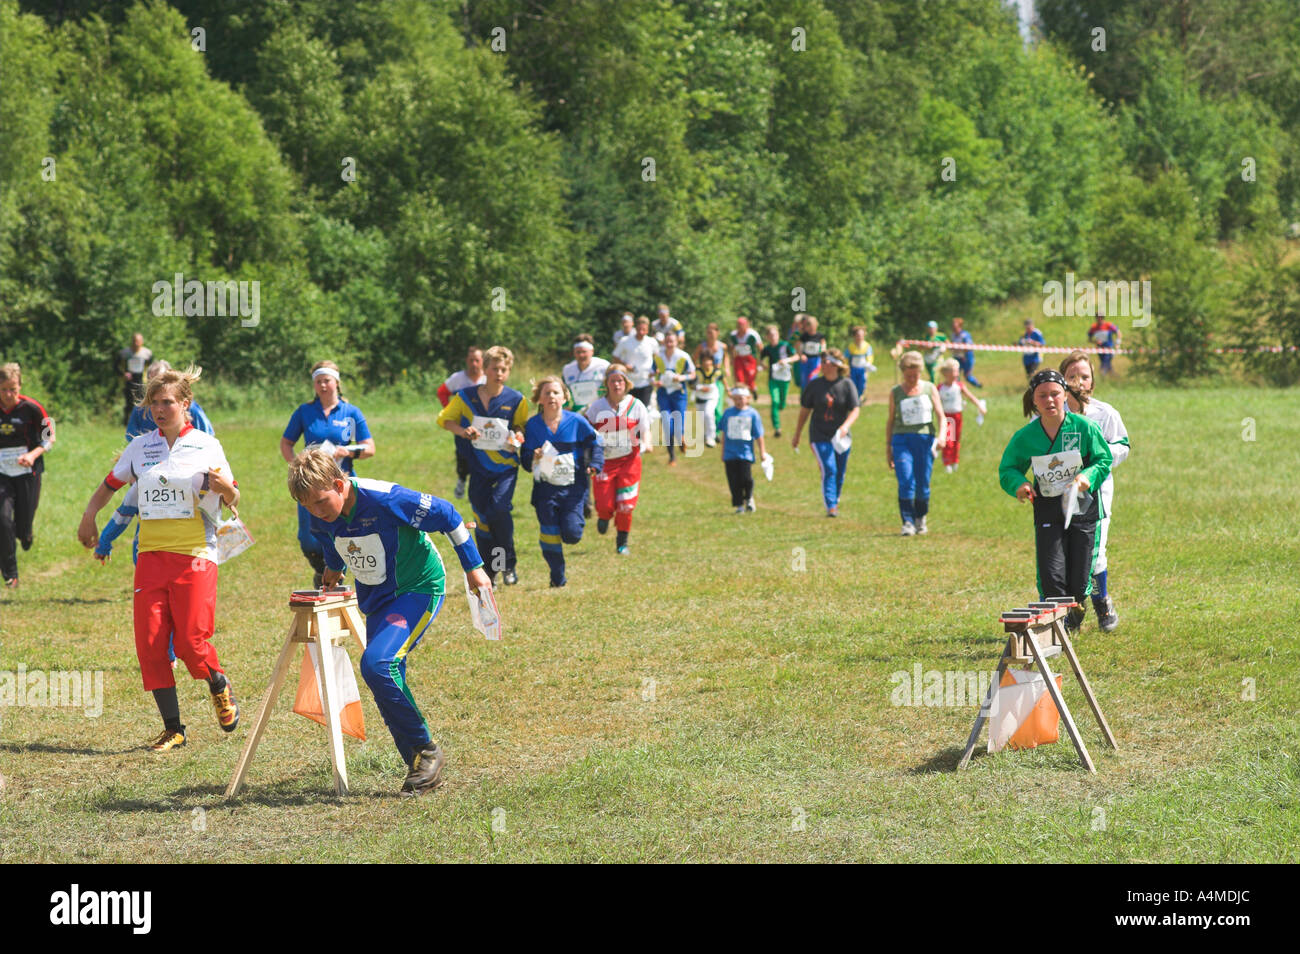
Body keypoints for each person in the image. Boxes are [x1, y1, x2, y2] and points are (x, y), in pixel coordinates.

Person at [291, 448, 491, 795]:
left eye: (321, 502)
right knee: (382, 671)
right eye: (307, 506)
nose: (316, 513)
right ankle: (419, 765)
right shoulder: (318, 514)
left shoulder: (386, 499)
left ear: (339, 485)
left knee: (379, 664)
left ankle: (425, 752)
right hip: (377, 598)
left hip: (418, 588)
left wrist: (473, 566)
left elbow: (448, 514)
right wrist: (333, 571)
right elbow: (331, 542)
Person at [77, 366, 241, 751]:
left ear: (186, 404)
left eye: (167, 402)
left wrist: (225, 489)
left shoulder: (206, 445)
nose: (160, 409)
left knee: (190, 643)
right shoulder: (140, 447)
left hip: (196, 553)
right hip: (150, 556)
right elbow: (108, 487)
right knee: (151, 644)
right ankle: (174, 729)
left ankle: (217, 682)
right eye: (154, 403)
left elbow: (234, 499)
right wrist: (89, 516)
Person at [998, 369, 1112, 634]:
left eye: (1055, 394)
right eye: (1042, 396)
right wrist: (1020, 485)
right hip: (1048, 507)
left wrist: (1087, 476)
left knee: (1080, 573)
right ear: (1033, 400)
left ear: (1065, 395)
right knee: (1051, 572)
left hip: (1082, 506)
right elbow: (1008, 469)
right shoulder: (1025, 436)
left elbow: (1102, 459)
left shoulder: (1085, 428)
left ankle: (1076, 606)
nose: (1049, 400)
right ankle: (1056, 622)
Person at [436, 346, 529, 585]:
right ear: (484, 368)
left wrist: (517, 437)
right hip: (477, 467)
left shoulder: (516, 399)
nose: (499, 373)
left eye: (504, 369)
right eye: (494, 368)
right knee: (482, 519)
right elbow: (444, 419)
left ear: (508, 372)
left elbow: (520, 427)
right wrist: (463, 431)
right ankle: (490, 571)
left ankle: (507, 566)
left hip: (505, 467)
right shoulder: (466, 396)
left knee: (499, 510)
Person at [279, 361, 375, 588]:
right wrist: (298, 468)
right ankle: (322, 570)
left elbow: (369, 447)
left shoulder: (350, 412)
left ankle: (339, 574)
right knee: (309, 538)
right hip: (311, 486)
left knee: (346, 531)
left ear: (337, 383)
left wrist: (348, 451)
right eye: (318, 381)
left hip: (338, 485)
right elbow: (286, 443)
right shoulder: (305, 411)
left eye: (327, 381)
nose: (322, 386)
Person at [1061, 351, 1129, 632]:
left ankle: (1101, 600)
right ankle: (1072, 608)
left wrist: (1094, 462)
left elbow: (1123, 446)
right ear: (1062, 380)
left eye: (1084, 376)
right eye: (1072, 376)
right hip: (1061, 492)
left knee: (1094, 548)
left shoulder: (1105, 413)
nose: (1078, 381)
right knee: (1064, 550)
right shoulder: (1054, 412)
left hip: (1096, 492)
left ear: (1092, 382)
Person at [520, 377, 603, 587]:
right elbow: (525, 459)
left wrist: (595, 463)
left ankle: (580, 513)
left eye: (556, 392)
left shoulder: (577, 421)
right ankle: (557, 575)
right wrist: (534, 456)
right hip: (545, 489)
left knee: (572, 534)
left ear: (565, 397)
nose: (551, 397)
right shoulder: (533, 425)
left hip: (574, 487)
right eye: (546, 393)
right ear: (539, 398)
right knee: (549, 532)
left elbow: (597, 443)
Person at [585, 364, 652, 554]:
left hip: (629, 461)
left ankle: (622, 542)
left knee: (626, 504)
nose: (617, 384)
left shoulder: (635, 405)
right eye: (613, 380)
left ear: (626, 383)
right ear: (607, 383)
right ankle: (604, 516)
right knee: (605, 504)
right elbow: (586, 429)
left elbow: (645, 429)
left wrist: (647, 444)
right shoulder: (597, 406)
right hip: (605, 462)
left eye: (620, 380)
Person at [0, 363, 54, 588]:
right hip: (2, 473)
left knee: (22, 523)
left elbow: (48, 437)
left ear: (19, 386)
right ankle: (11, 574)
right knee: (2, 520)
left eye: (13, 389)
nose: (9, 394)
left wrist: (33, 455)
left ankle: (26, 532)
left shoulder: (32, 408)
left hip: (28, 472)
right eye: (3, 389)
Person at [792, 349, 860, 517]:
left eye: (827, 362)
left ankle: (835, 499)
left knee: (840, 470)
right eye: (822, 362)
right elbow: (805, 411)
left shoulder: (847, 384)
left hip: (841, 437)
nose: (823, 365)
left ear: (836, 365)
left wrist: (845, 427)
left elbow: (855, 410)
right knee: (829, 468)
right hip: (819, 435)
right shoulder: (815, 385)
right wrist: (797, 434)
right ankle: (831, 506)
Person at [885, 351, 946, 535]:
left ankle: (920, 517)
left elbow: (941, 416)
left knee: (922, 483)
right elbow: (890, 421)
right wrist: (888, 447)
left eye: (916, 375)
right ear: (902, 372)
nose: (912, 378)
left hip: (925, 440)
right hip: (901, 440)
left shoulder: (929, 388)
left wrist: (942, 436)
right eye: (908, 375)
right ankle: (908, 522)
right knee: (905, 480)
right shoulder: (895, 392)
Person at [436, 347, 486, 499]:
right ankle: (462, 479)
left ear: (483, 361)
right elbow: (441, 392)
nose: (474, 364)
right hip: (462, 426)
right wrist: (450, 411)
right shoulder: (458, 378)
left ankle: (478, 487)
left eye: (477, 360)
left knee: (481, 457)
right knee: (463, 455)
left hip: (483, 426)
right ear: (466, 361)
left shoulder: (487, 379)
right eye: (471, 360)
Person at [126, 360, 214, 439]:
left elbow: (207, 435)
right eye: (152, 382)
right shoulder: (140, 408)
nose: (156, 386)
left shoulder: (190, 407)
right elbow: (130, 436)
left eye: (161, 381)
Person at [719, 386, 767, 513]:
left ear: (748, 399)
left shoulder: (752, 414)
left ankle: (749, 497)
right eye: (735, 399)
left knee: (746, 478)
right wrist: (722, 451)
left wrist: (762, 452)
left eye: (741, 398)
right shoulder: (728, 413)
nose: (738, 401)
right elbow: (724, 433)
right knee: (733, 480)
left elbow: (759, 435)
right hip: (730, 453)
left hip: (745, 453)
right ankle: (739, 505)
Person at [652, 330, 695, 466]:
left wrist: (682, 377)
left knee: (678, 422)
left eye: (672, 341)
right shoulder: (658, 356)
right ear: (664, 342)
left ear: (677, 342)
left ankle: (681, 437)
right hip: (663, 392)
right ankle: (672, 457)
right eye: (667, 341)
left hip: (678, 393)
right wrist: (655, 382)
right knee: (666, 423)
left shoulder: (683, 356)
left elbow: (693, 374)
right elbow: (651, 373)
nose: (670, 344)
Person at [937, 358, 986, 473]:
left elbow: (970, 397)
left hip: (958, 416)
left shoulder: (959, 385)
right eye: (954, 371)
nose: (957, 374)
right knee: (949, 439)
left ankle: (955, 461)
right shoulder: (940, 388)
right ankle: (947, 462)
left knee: (956, 439)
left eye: (957, 371)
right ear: (946, 373)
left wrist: (980, 406)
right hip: (946, 417)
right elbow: (935, 403)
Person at [613, 315, 658, 408]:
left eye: (644, 329)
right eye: (640, 329)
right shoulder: (625, 341)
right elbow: (615, 356)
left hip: (645, 382)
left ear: (648, 330)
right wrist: (625, 365)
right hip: (629, 382)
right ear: (636, 328)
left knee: (643, 410)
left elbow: (657, 359)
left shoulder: (652, 342)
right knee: (628, 410)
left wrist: (655, 370)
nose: (641, 332)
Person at [761, 324, 797, 437]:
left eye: (775, 335)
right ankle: (777, 428)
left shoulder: (785, 345)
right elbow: (760, 360)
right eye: (770, 335)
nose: (773, 337)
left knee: (782, 404)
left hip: (784, 378)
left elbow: (796, 356)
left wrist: (786, 360)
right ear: (767, 337)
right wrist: (763, 366)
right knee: (774, 402)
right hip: (773, 378)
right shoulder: (767, 349)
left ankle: (781, 406)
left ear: (778, 335)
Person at [561, 335, 609, 416]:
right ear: (574, 353)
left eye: (584, 352)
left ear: (592, 351)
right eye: (578, 352)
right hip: (578, 413)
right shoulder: (567, 369)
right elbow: (563, 390)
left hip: (602, 412)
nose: (581, 355)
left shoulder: (604, 366)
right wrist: (565, 406)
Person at [118, 333, 153, 427]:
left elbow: (152, 367)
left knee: (141, 403)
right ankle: (126, 423)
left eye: (138, 341)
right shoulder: (124, 353)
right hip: (128, 382)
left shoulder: (147, 353)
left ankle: (141, 423)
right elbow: (116, 367)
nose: (136, 343)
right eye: (134, 341)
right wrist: (123, 374)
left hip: (142, 381)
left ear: (142, 342)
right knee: (129, 403)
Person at [693, 352, 725, 448]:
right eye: (704, 360)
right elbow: (691, 384)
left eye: (709, 360)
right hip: (700, 397)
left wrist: (728, 390)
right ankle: (706, 435)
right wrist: (700, 388)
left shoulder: (716, 371)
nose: (707, 362)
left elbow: (722, 379)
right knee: (702, 417)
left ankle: (711, 437)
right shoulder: (696, 371)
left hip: (712, 396)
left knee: (709, 414)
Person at [727, 316, 762, 399]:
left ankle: (753, 389)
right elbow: (731, 348)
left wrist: (761, 361)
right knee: (739, 377)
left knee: (750, 377)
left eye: (742, 325)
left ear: (747, 325)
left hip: (750, 359)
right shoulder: (733, 335)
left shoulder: (752, 334)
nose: (741, 328)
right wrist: (732, 359)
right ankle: (742, 396)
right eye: (739, 326)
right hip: (739, 358)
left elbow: (760, 347)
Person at [847, 325, 876, 405]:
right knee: (853, 385)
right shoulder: (851, 347)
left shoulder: (867, 346)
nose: (859, 337)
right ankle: (853, 399)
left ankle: (859, 398)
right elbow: (846, 358)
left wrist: (868, 365)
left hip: (863, 369)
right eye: (858, 335)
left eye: (861, 335)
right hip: (853, 369)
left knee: (862, 385)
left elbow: (870, 357)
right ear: (854, 336)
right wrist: (847, 369)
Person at [1088, 311, 1122, 377]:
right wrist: (1095, 341)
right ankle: (1114, 376)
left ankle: (1102, 375)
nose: (1099, 319)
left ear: (1103, 318)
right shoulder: (1094, 327)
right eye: (1098, 317)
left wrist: (1118, 343)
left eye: (1101, 317)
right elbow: (1089, 339)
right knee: (1107, 365)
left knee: (1104, 364)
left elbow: (1118, 333)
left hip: (1109, 348)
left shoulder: (1108, 325)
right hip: (1100, 349)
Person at [949, 317, 981, 388]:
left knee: (967, 376)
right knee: (955, 374)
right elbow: (951, 346)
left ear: (960, 326)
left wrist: (958, 348)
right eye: (953, 326)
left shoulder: (965, 335)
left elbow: (969, 347)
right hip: (957, 357)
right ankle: (957, 388)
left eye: (955, 327)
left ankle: (978, 386)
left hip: (966, 357)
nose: (953, 328)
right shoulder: (953, 335)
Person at [798, 315, 826, 382]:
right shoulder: (804, 336)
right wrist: (801, 355)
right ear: (806, 327)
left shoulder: (819, 336)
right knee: (804, 379)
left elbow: (823, 345)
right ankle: (805, 392)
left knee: (813, 377)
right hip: (805, 360)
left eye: (813, 326)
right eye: (809, 326)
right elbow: (799, 348)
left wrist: (823, 351)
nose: (811, 328)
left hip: (816, 359)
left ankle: (813, 391)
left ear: (816, 325)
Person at [787, 314, 807, 389]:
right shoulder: (796, 334)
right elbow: (790, 344)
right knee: (799, 381)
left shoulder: (809, 333)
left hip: (807, 359)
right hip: (798, 359)